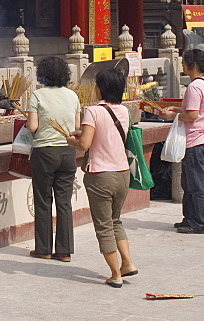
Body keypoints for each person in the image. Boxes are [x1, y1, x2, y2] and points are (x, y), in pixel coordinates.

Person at [67, 67, 137, 288]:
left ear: (101, 88)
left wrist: (71, 140)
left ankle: (115, 273)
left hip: (100, 174)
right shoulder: (124, 111)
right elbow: (108, 135)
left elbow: (84, 144)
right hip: (122, 173)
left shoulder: (93, 111)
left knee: (104, 225)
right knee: (115, 220)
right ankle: (127, 263)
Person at [26, 56, 81, 262]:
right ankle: (64, 250)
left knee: (43, 201)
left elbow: (32, 127)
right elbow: (77, 127)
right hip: (67, 152)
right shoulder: (72, 96)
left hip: (45, 152)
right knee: (64, 202)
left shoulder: (37, 95)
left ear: (43, 74)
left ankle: (44, 248)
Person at [159, 48, 204, 234]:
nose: (182, 66)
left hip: (196, 141)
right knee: (189, 184)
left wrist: (172, 116)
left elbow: (192, 115)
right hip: (202, 139)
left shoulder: (194, 87)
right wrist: (176, 110)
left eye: (184, 63)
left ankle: (199, 223)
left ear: (191, 66)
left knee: (196, 185)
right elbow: (191, 111)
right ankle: (190, 218)